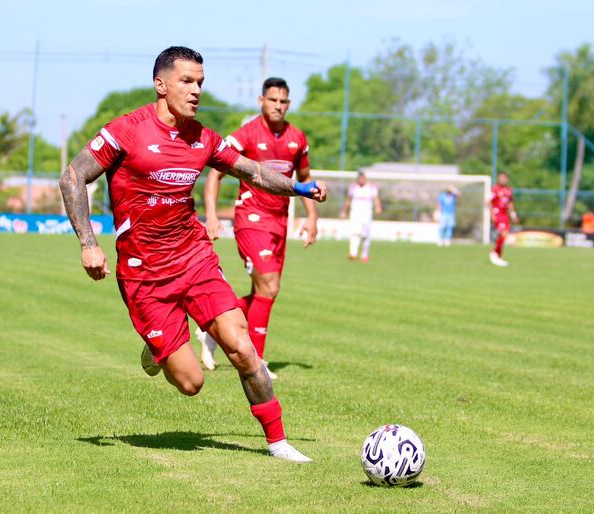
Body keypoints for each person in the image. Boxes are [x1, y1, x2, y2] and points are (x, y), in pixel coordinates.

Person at [58, 47, 327, 463]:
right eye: (187, 81)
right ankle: (156, 348)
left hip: (194, 258)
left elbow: (252, 171)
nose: (197, 90)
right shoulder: (126, 131)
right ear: (161, 85)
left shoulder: (203, 137)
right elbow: (73, 175)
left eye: (201, 81)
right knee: (191, 382)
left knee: (241, 347)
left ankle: (278, 441)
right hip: (144, 274)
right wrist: (88, 243)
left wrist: (300, 188)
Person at [198, 77, 317, 377]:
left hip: (280, 223)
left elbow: (304, 180)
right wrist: (211, 216)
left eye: (283, 102)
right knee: (270, 286)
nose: (278, 106)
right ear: (261, 101)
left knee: (265, 292)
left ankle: (213, 328)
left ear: (288, 104)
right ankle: (258, 361)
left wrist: (312, 217)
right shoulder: (246, 135)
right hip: (250, 221)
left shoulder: (297, 139)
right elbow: (215, 174)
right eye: (272, 100)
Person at [340, 171, 381, 262]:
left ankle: (364, 254)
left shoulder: (371, 187)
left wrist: (378, 207)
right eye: (359, 178)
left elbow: (376, 198)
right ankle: (353, 253)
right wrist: (344, 211)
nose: (361, 180)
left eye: (363, 178)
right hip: (355, 211)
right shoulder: (353, 187)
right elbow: (348, 200)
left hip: (367, 212)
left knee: (365, 234)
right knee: (354, 232)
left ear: (365, 178)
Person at [488, 172, 518, 267]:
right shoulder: (494, 189)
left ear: (507, 179)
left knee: (503, 236)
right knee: (504, 234)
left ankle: (497, 255)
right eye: (500, 178)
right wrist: (492, 214)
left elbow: (510, 204)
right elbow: (489, 202)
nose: (502, 180)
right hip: (498, 214)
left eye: (504, 178)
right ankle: (495, 253)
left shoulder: (509, 190)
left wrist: (513, 215)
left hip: (505, 215)